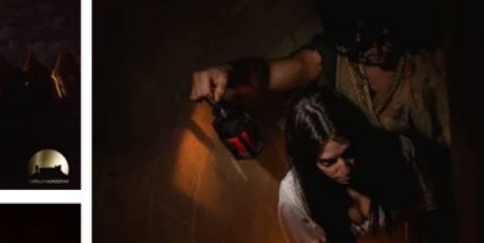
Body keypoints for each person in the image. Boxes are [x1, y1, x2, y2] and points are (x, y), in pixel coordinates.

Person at [278, 87, 439, 243]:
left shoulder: (396, 151)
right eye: (329, 162)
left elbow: (421, 205)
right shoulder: (294, 198)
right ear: (308, 162)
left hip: (402, 242)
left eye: (349, 153)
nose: (345, 169)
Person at [189, 17, 451, 150]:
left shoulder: (426, 57)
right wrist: (229, 73)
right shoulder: (336, 59)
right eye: (361, 37)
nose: (376, 45)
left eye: (380, 32)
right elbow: (271, 73)